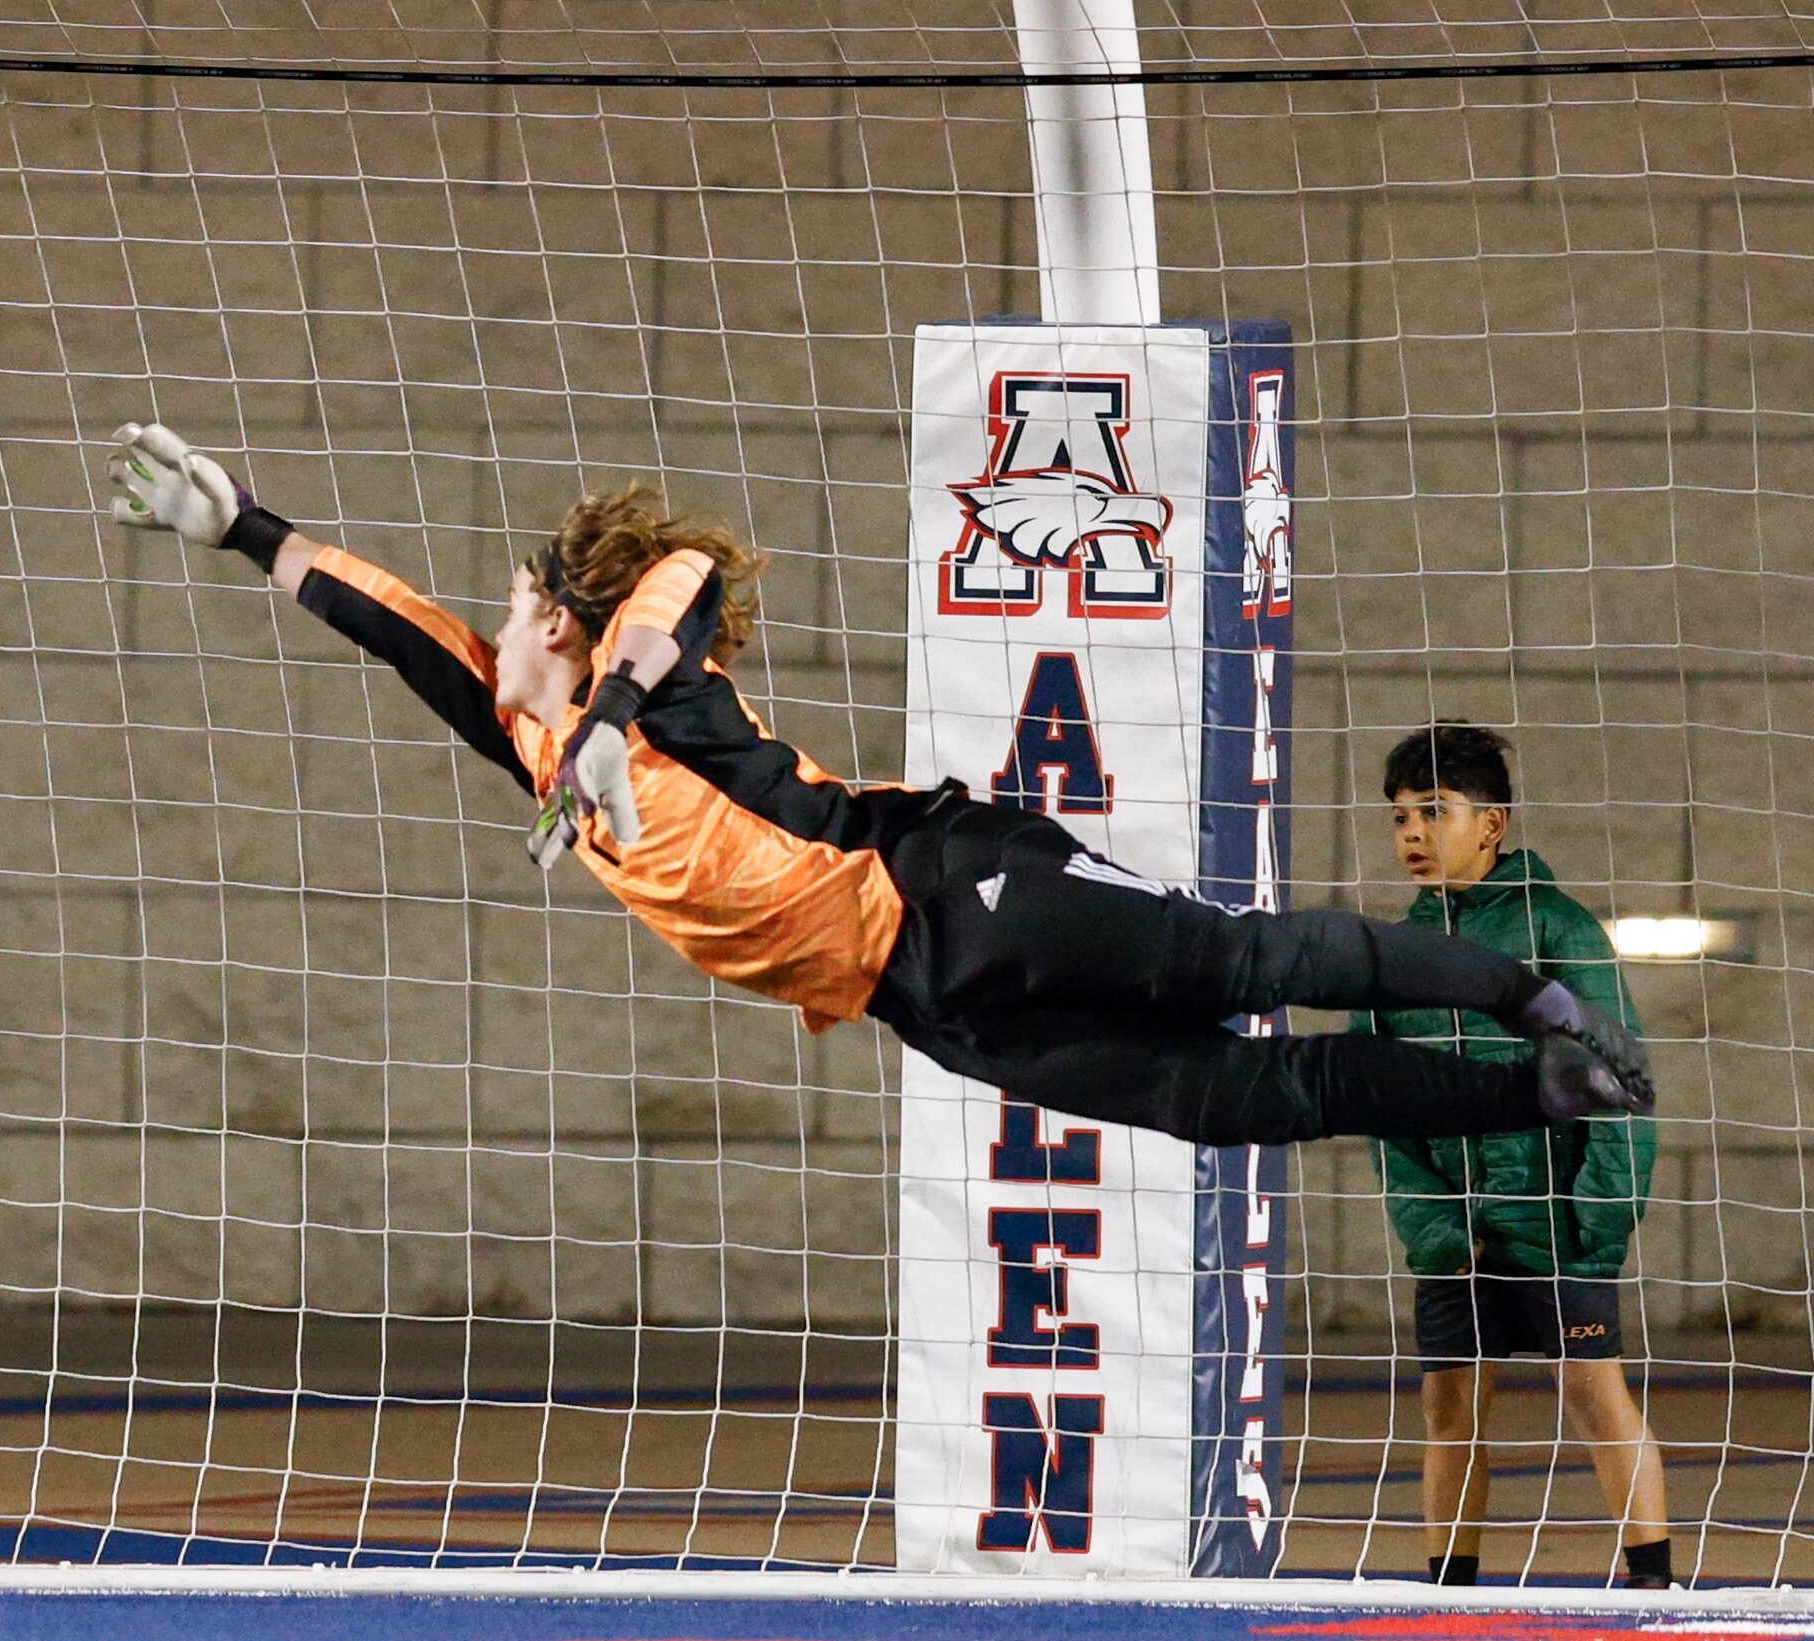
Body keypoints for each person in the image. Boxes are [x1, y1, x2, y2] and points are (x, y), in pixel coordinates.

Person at [103, 421, 1656, 1149]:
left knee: (1242, 962)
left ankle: (1527, 998)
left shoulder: (659, 683)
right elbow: (398, 628)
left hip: (950, 881)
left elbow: (687, 570)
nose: (491, 629)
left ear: (565, 629)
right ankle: (1535, 1090)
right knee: (1228, 1101)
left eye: (515, 609)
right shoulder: (529, 739)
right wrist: (244, 521)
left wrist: (609, 719)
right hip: (930, 996)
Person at [1354, 723, 1671, 1588]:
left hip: (1556, 1227)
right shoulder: (1388, 955)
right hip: (1458, 1239)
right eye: (1398, 818)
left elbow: (1623, 1081)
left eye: (1433, 812)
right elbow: (1377, 1104)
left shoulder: (1556, 926)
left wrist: (1593, 1220)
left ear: (1490, 824)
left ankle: (1651, 1585)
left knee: (1596, 1399)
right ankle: (1447, 1591)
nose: (1411, 834)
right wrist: (1433, 1226)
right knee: (1447, 1407)